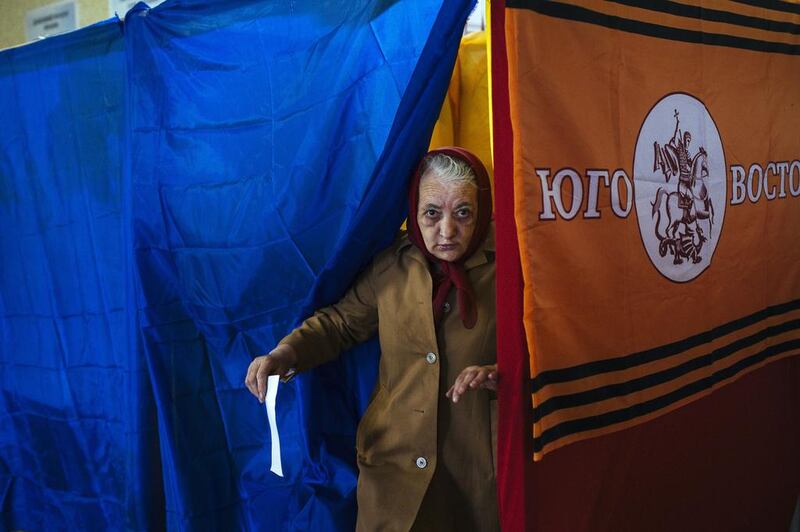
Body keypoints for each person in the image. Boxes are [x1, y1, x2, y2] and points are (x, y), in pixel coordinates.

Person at [245, 147, 499, 531]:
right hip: (393, 468)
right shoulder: (393, 265)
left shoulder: (510, 269)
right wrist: (286, 353)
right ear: (413, 210)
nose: (447, 230)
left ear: (481, 212)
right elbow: (340, 324)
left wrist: (502, 371)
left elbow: (546, 346)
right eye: (432, 213)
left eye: (463, 212)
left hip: (474, 467)